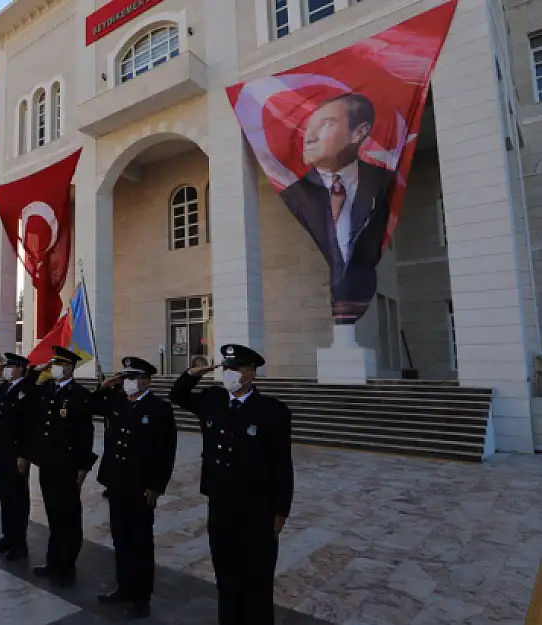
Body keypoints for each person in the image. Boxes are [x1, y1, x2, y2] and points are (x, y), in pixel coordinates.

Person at [168, 344, 294, 625]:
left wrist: (280, 511)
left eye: (235, 369)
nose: (229, 374)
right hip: (221, 504)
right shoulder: (212, 400)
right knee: (226, 574)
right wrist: (191, 373)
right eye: (225, 368)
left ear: (252, 374)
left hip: (257, 509)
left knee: (257, 579)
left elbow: (281, 465)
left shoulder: (272, 411)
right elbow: (177, 395)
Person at [278, 92, 392, 323]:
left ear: (358, 132)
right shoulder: (294, 193)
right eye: (308, 128)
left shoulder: (385, 180)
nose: (309, 137)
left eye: (326, 124)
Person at [92, 357, 177, 619]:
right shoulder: (117, 401)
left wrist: (156, 486)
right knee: (120, 538)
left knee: (140, 542)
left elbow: (166, 451)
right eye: (126, 377)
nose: (128, 382)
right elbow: (90, 407)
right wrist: (104, 387)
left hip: (142, 487)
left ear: (147, 380)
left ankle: (142, 596)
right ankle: (123, 587)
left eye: (134, 377)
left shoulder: (159, 408)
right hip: (117, 482)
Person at [22, 346, 96, 588]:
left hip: (68, 464)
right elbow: (27, 390)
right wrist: (36, 371)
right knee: (53, 514)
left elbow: (86, 434)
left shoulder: (80, 394)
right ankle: (53, 561)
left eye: (59, 363)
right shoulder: (47, 389)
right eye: (53, 363)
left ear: (71, 367)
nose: (54, 367)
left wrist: (83, 467)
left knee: (68, 517)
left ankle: (67, 566)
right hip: (48, 463)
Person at [0, 352, 37, 561]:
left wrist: (24, 454)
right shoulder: (6, 387)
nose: (7, 369)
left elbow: (29, 426)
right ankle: (8, 537)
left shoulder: (27, 390)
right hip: (1, 449)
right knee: (5, 496)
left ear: (21, 368)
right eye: (6, 366)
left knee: (18, 498)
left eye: (11, 366)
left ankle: (19, 543)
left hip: (16, 453)